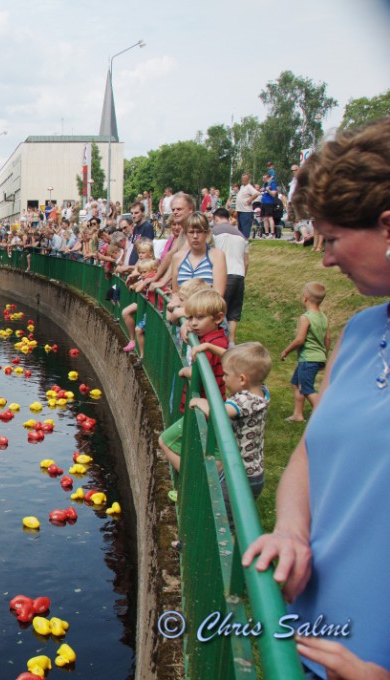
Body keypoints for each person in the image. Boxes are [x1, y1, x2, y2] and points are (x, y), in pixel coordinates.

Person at [241, 117, 390, 679]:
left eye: (331, 239)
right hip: (309, 646)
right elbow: (308, 453)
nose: (323, 257)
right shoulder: (358, 335)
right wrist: (290, 529)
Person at [158, 289, 230, 473]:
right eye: (190, 318)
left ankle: (187, 477)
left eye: (199, 318)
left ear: (218, 318)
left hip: (204, 408)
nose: (194, 323)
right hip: (206, 405)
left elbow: (202, 373)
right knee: (207, 447)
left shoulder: (212, 346)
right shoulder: (213, 337)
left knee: (164, 441)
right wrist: (186, 327)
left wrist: (186, 371)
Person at [188, 341, 271, 499]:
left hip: (240, 475)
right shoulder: (260, 391)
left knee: (227, 516)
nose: (223, 378)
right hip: (254, 472)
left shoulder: (244, 401)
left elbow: (218, 413)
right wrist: (209, 347)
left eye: (226, 374)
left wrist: (202, 402)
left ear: (241, 379)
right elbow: (232, 360)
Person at [279, 281, 330, 423]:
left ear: (305, 297)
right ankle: (298, 415)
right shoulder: (324, 317)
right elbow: (328, 338)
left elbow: (300, 340)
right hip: (316, 358)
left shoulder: (305, 317)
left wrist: (286, 351)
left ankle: (323, 415)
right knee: (296, 383)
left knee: (307, 389)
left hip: (308, 359)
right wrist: (324, 357)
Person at [212, 208, 249, 345]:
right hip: (239, 275)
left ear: (216, 218)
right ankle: (231, 342)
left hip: (223, 274)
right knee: (234, 312)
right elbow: (246, 261)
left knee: (218, 308)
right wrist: (243, 275)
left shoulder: (215, 232)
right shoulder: (241, 235)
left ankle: (220, 339)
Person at [235, 173, 260, 240]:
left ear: (248, 180)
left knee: (245, 227)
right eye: (242, 179)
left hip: (246, 211)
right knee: (240, 228)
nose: (243, 180)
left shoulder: (249, 187)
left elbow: (256, 193)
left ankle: (245, 240)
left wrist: (250, 200)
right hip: (240, 210)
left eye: (245, 179)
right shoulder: (242, 187)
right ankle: (241, 241)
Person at [260, 169, 279, 238]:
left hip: (269, 202)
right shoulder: (265, 184)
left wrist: (268, 190)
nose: (263, 179)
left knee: (270, 217)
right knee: (265, 218)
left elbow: (274, 194)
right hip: (264, 203)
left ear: (268, 177)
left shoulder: (272, 183)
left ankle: (272, 233)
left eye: (264, 178)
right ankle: (266, 232)